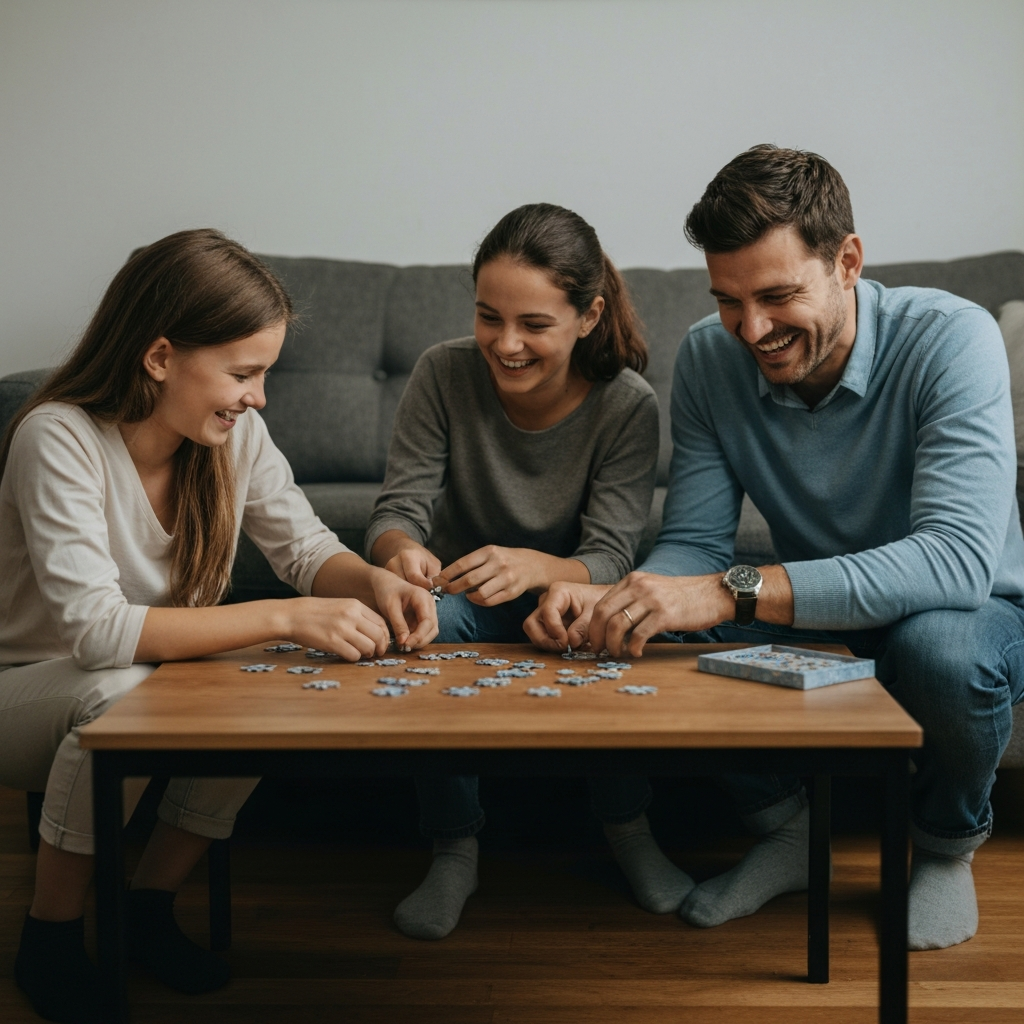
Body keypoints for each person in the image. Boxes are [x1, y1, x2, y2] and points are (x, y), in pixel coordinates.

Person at [526, 145, 1024, 951]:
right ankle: (789, 832)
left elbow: (957, 560)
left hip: (970, 609)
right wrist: (629, 595)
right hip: (815, 611)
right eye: (729, 300)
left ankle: (942, 847)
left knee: (940, 651)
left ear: (849, 261)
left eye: (778, 295)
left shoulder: (951, 339)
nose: (752, 330)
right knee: (658, 631)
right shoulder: (709, 356)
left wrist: (730, 591)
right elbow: (693, 540)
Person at [0, 229, 437, 1024]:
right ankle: (50, 936)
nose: (258, 398)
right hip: (24, 694)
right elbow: (97, 634)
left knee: (268, 677)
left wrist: (373, 580)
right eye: (243, 374)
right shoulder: (56, 437)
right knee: (126, 685)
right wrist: (284, 615)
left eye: (263, 374)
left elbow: (304, 549)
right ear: (160, 356)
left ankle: (148, 908)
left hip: (133, 685)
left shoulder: (234, 437)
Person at [366, 203, 688, 940]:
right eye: (488, 317)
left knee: (614, 629)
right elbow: (396, 511)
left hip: (569, 602)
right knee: (417, 627)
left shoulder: (626, 403)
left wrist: (540, 569)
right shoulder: (443, 373)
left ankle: (629, 827)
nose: (505, 344)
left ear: (588, 314)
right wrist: (401, 556)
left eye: (534, 324)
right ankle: (454, 845)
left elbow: (612, 553)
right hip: (461, 601)